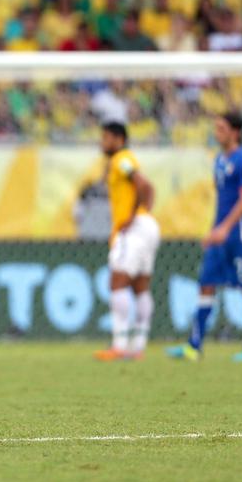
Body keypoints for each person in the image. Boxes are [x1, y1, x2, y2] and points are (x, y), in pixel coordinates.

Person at [168, 113, 242, 362]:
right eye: (216, 128)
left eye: (221, 128)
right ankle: (194, 346)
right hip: (219, 234)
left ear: (235, 132)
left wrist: (224, 228)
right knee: (206, 283)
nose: (216, 132)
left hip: (239, 235)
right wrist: (214, 231)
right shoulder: (220, 160)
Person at [94, 122, 160, 362]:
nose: (102, 143)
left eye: (106, 138)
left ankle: (119, 345)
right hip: (147, 226)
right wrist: (144, 211)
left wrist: (132, 215)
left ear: (119, 139)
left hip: (133, 229)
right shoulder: (122, 160)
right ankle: (137, 346)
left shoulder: (121, 159)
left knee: (118, 283)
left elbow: (144, 185)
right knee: (140, 286)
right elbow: (148, 188)